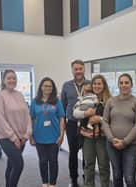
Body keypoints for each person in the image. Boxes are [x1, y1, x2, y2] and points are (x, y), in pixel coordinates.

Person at [102, 73, 136, 187]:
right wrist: (111, 139)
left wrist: (125, 141)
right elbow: (105, 121)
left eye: (127, 83)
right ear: (118, 85)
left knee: (129, 178)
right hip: (112, 145)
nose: (124, 85)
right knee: (116, 175)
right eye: (121, 83)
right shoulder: (111, 101)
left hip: (131, 145)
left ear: (131, 85)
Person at [0, 69, 32, 187]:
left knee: (11, 165)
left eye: (14, 78)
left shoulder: (19, 95)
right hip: (6, 138)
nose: (12, 80)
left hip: (22, 138)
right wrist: (13, 137)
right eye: (9, 78)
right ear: (4, 80)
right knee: (19, 164)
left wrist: (27, 135)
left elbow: (27, 115)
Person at [75, 75, 111, 187]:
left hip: (103, 138)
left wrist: (99, 119)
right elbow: (76, 112)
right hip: (88, 137)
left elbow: (114, 118)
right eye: (94, 84)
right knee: (88, 165)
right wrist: (86, 113)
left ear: (104, 85)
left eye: (99, 83)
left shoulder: (110, 100)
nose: (96, 86)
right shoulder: (86, 97)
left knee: (103, 166)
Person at [29, 77, 65, 187]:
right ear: (41, 87)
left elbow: (62, 118)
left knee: (53, 161)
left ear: (52, 88)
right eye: (45, 85)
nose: (47, 88)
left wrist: (62, 135)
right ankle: (45, 183)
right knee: (43, 161)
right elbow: (31, 118)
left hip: (54, 136)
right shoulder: (35, 101)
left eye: (50, 86)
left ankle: (53, 184)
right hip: (39, 136)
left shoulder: (57, 101)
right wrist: (31, 135)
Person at [61, 59, 90, 187]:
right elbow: (63, 104)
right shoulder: (66, 85)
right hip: (72, 123)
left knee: (87, 151)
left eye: (80, 69)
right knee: (73, 152)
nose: (78, 71)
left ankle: (86, 175)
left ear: (84, 69)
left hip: (87, 123)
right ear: (72, 70)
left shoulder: (91, 84)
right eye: (76, 69)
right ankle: (73, 179)